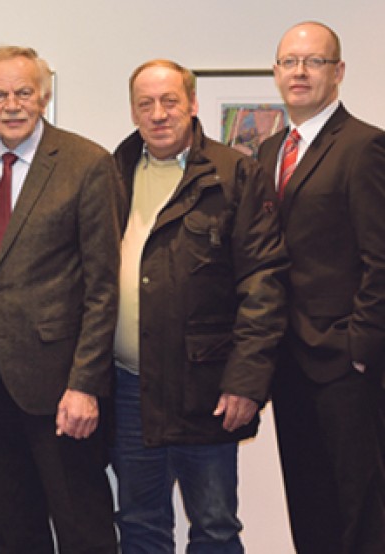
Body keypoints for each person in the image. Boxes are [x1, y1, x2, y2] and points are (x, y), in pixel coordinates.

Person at [110, 59, 289, 553]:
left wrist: (245, 382)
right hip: (129, 390)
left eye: (169, 101)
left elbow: (263, 284)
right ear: (133, 111)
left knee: (214, 526)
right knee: (139, 524)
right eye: (145, 104)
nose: (158, 114)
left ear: (191, 103)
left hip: (207, 387)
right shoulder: (113, 174)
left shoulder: (235, 174)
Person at [0, 45, 121, 553]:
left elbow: (103, 285)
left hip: (62, 388)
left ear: (44, 96)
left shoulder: (87, 163)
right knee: (12, 528)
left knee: (82, 527)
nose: (12, 104)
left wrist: (85, 384)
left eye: (23, 92)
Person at [258, 21, 385, 553]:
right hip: (286, 361)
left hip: (344, 365)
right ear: (276, 72)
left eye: (313, 62)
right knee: (308, 504)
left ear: (338, 72)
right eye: (290, 61)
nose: (300, 72)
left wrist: (359, 348)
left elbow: (380, 260)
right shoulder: (268, 153)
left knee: (361, 509)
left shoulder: (365, 147)